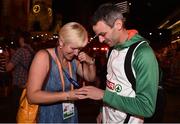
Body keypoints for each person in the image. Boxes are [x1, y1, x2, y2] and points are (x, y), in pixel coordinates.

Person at [77, 3, 159, 123]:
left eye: (103, 34)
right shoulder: (112, 49)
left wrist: (102, 95)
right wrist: (102, 111)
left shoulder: (143, 54)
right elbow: (112, 84)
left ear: (118, 25)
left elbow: (146, 107)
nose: (100, 40)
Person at [26, 22, 96, 123]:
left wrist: (91, 62)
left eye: (79, 49)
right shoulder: (43, 57)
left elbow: (91, 78)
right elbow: (32, 96)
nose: (76, 53)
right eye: (73, 48)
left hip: (70, 117)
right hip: (48, 118)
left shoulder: (73, 60)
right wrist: (67, 95)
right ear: (61, 42)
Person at [5, 31, 34, 121]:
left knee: (16, 112)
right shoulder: (32, 51)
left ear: (21, 39)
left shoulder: (20, 51)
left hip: (19, 87)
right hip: (29, 85)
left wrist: (7, 57)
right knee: (26, 111)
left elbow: (8, 68)